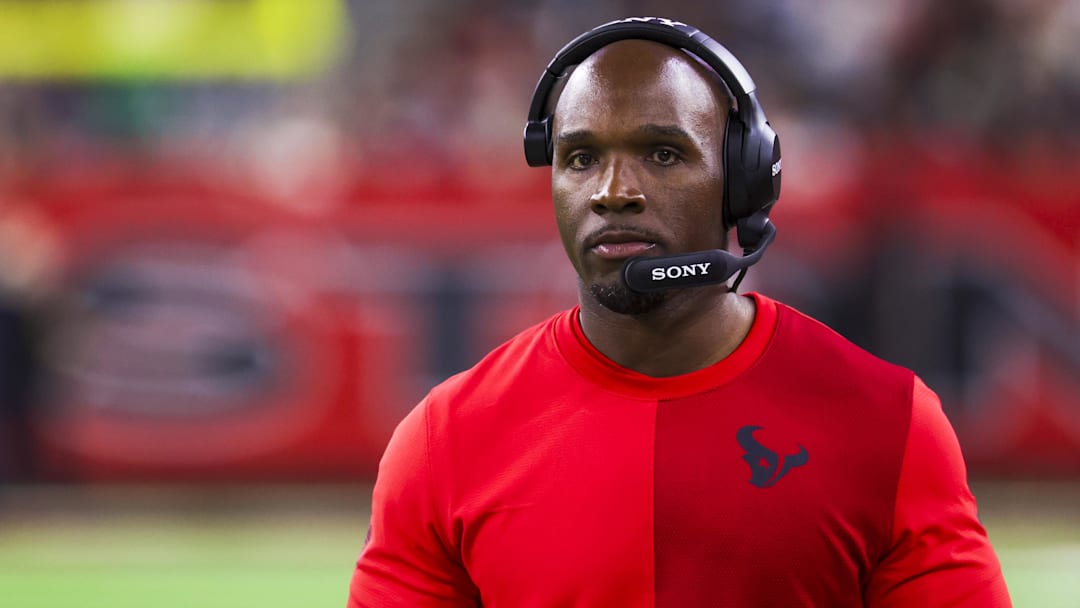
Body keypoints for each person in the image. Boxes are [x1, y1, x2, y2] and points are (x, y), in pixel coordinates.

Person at [348, 17, 1011, 607]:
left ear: (743, 180)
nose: (613, 191)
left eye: (662, 154)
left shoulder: (889, 423)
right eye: (581, 158)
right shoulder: (445, 440)